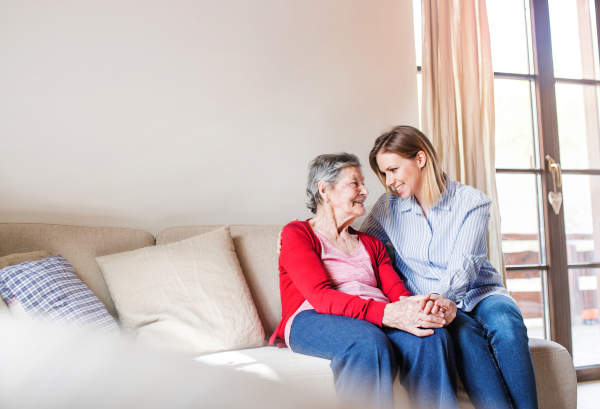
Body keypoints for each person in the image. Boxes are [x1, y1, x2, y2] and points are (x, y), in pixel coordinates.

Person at [361, 125, 538, 409]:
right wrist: (311, 237)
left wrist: (442, 299)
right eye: (384, 173)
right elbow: (360, 245)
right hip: (432, 301)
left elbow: (464, 264)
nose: (389, 180)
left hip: (480, 292)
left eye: (393, 169)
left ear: (420, 159)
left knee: (507, 325)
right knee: (466, 337)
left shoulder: (471, 202)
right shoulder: (387, 208)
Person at [269, 153, 459, 409]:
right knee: (367, 342)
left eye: (363, 183)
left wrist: (429, 306)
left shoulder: (372, 244)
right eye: (355, 183)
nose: (365, 191)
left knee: (431, 335)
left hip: (374, 315)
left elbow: (397, 294)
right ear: (324, 190)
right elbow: (321, 296)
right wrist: (386, 314)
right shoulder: (297, 234)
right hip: (312, 317)